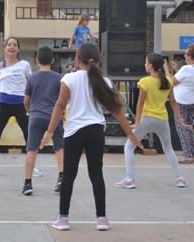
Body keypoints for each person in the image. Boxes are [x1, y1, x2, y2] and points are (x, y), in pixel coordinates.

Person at [40, 44, 142, 231]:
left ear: (77, 60)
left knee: (69, 175)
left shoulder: (69, 78)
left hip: (74, 132)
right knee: (96, 174)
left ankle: (63, 218)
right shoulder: (105, 81)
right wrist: (130, 134)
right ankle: (101, 218)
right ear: (96, 60)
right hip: (95, 130)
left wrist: (49, 131)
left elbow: (60, 106)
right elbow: (117, 110)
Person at [114, 53, 192, 190]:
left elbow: (140, 103)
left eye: (146, 62)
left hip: (147, 119)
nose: (145, 64)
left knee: (129, 147)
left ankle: (129, 179)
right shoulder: (168, 81)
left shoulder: (145, 81)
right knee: (168, 148)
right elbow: (173, 103)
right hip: (162, 119)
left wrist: (137, 122)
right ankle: (180, 178)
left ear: (150, 66)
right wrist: (181, 121)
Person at [0, 37, 36, 176]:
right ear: (5, 48)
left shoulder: (25, 65)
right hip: (4, 105)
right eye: (9, 44)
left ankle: (32, 166)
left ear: (18, 49)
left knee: (29, 135)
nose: (11, 47)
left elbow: (31, 83)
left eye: (15, 45)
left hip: (21, 105)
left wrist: (32, 102)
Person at [22, 46, 64, 196]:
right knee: (59, 148)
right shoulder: (59, 78)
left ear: (36, 61)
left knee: (31, 150)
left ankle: (27, 183)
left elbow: (26, 100)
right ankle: (61, 179)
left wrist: (29, 111)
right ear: (52, 60)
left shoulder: (32, 78)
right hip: (54, 116)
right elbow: (62, 101)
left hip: (36, 116)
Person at [166, 44, 194, 164]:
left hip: (181, 102)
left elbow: (172, 81)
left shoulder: (186, 69)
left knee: (182, 128)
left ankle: (188, 156)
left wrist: (167, 70)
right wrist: (176, 69)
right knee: (188, 128)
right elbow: (185, 80)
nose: (184, 56)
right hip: (192, 101)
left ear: (189, 56)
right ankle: (193, 154)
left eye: (186, 54)